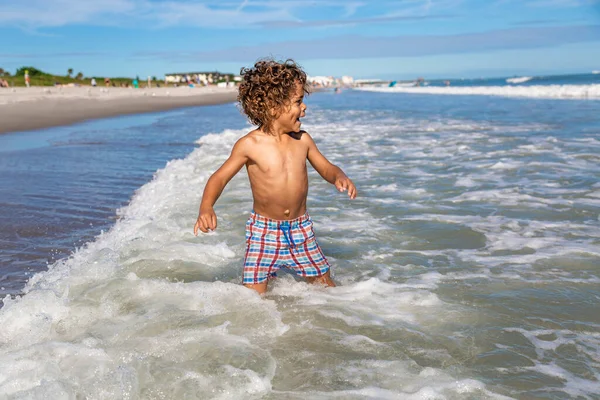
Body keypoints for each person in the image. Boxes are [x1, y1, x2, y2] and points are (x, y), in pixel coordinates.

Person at [193, 59, 357, 295]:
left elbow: (327, 167)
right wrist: (206, 207)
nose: (304, 108)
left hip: (301, 229)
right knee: (251, 297)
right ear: (273, 107)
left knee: (326, 288)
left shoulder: (303, 140)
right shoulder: (250, 145)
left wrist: (339, 176)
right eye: (298, 102)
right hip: (264, 232)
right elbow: (219, 178)